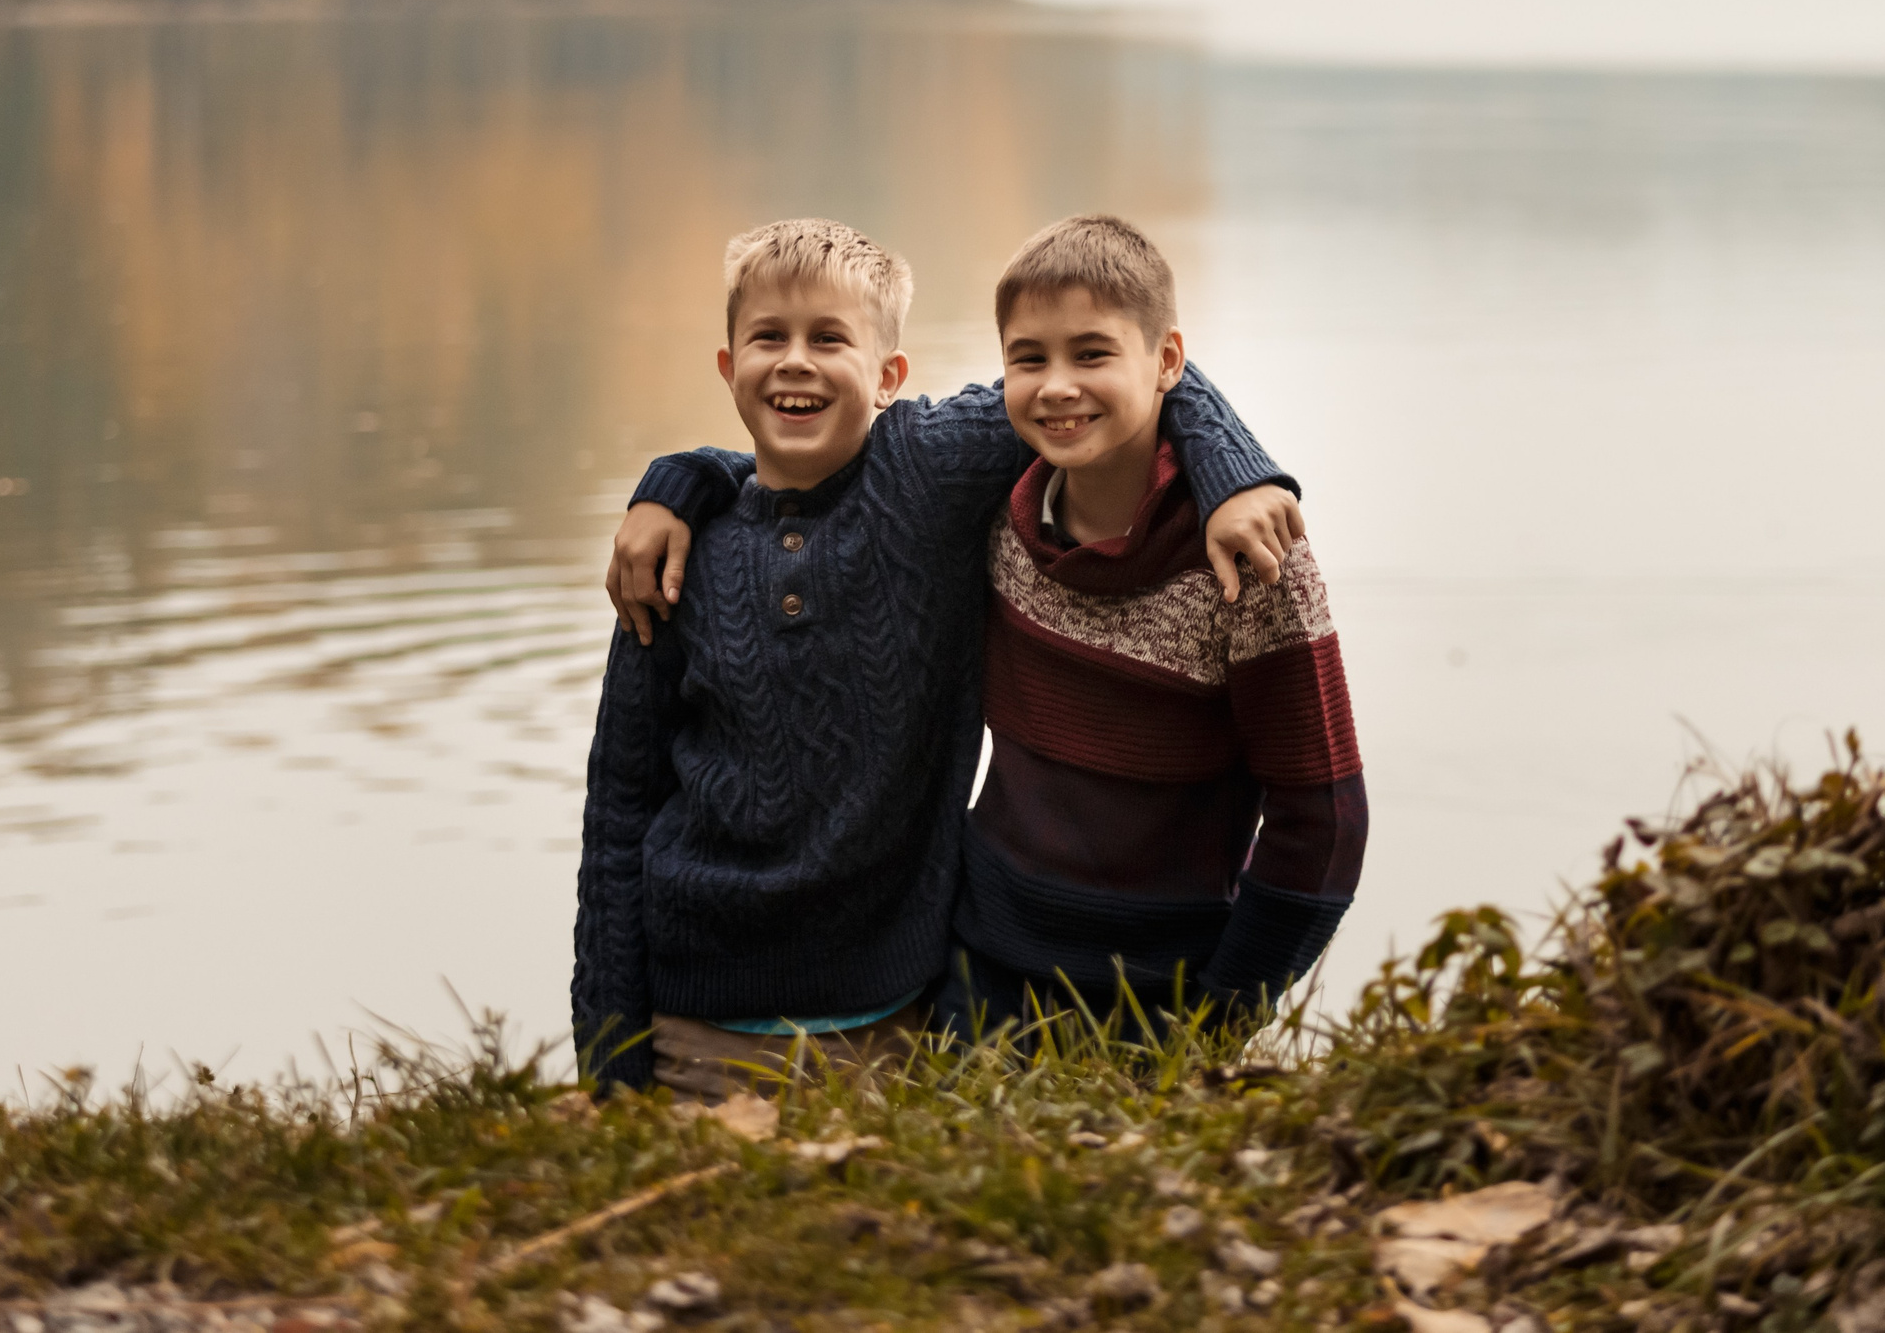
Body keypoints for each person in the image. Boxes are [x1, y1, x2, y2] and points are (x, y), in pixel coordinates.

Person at [573, 218, 1303, 1099]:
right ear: (729, 367)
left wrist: (1238, 472)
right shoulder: (671, 560)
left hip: (901, 1014)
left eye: (829, 338)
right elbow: (617, 812)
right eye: (769, 337)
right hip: (693, 1022)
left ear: (888, 377)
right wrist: (607, 1058)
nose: (796, 360)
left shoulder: (926, 469)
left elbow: (1116, 375)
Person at [944, 214, 1365, 1039]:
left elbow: (1325, 820)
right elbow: (836, 454)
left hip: (1158, 1000)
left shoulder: (1250, 560)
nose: (1057, 385)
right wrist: (682, 483)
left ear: (1169, 360)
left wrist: (1221, 1015)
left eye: (1092, 353)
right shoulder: (991, 507)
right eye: (1029, 358)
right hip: (977, 977)